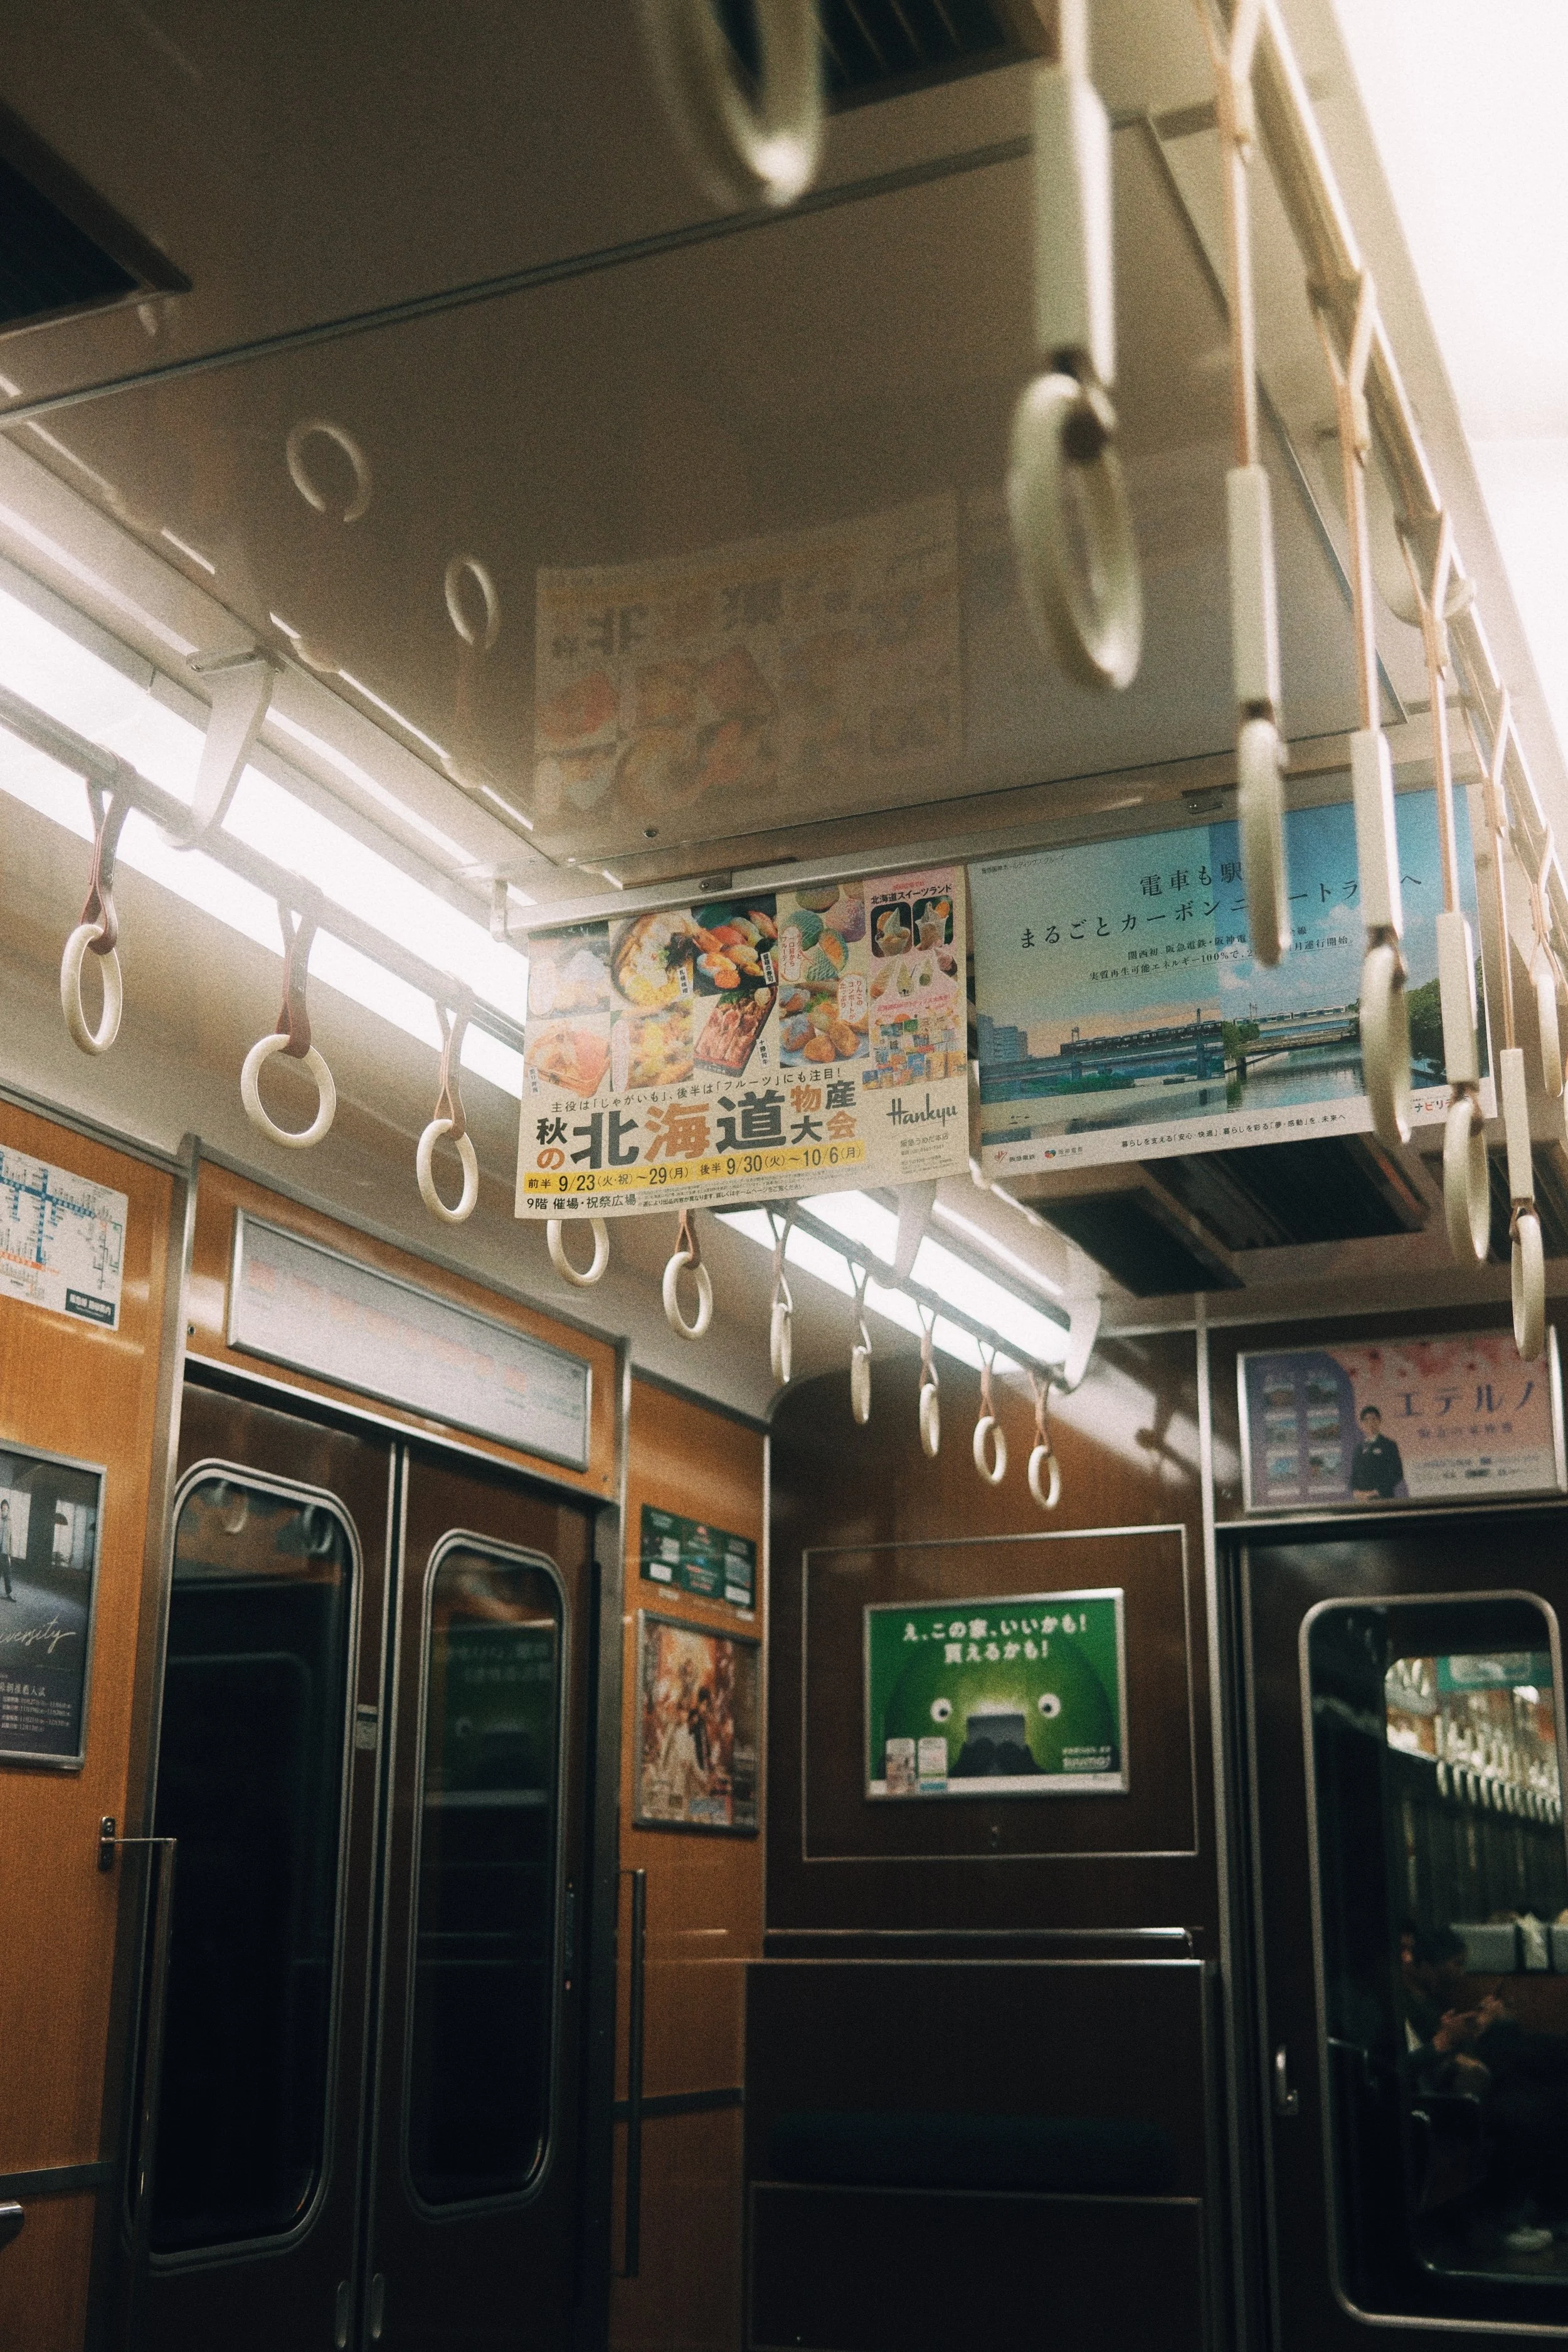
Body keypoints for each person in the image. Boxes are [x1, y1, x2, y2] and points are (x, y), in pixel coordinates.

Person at [1351, 1404, 1405, 1501]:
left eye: (1373, 1419)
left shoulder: (1389, 1445)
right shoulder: (1358, 1448)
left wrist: (1377, 1492)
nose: (1370, 1423)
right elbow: (1353, 1475)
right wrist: (1355, 1492)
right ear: (1362, 1424)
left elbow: (1397, 1473)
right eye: (1366, 1420)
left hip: (1384, 1498)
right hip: (1363, 1501)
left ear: (1379, 1421)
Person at [0, 1496, 14, 1602]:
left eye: (6, 1506)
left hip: (5, 1552)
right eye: (3, 1506)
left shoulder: (10, 1521)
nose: (4, 1507)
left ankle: (9, 1593)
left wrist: (10, 1554)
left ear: (8, 1508)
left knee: (7, 1573)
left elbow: (11, 1538)